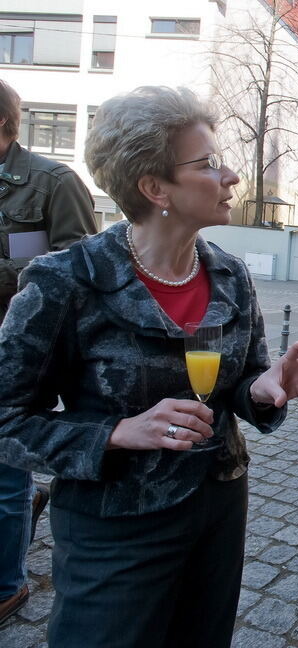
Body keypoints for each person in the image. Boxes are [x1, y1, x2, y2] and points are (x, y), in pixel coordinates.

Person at [0, 86, 298, 646]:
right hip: (115, 529)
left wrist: (264, 387)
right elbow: (6, 418)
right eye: (208, 164)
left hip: (217, 512)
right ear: (155, 186)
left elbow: (236, 387)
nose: (231, 175)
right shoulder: (68, 280)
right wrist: (115, 431)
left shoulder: (230, 275)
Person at [0, 79, 97, 625]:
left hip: (18, 351)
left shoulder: (52, 181)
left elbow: (77, 266)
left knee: (4, 468)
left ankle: (6, 586)